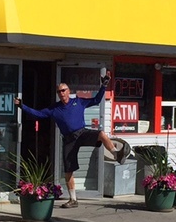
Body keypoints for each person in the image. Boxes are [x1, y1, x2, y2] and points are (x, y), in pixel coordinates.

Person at [15, 72, 129, 208]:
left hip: (82, 133)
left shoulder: (78, 102)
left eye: (63, 90)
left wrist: (104, 86)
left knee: (102, 134)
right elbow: (38, 114)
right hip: (69, 140)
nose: (61, 93)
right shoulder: (54, 109)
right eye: (59, 92)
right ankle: (73, 199)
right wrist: (22, 106)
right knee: (68, 171)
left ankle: (116, 154)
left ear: (69, 91)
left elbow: (96, 100)